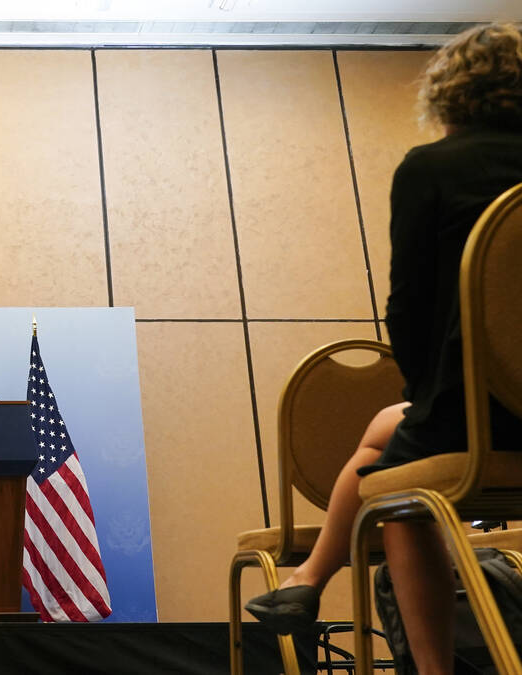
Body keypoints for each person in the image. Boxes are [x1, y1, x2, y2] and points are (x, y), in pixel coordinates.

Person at [246, 22, 522, 674]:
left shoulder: (431, 170)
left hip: (483, 422)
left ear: (450, 94)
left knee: (391, 485)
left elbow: (409, 309)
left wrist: (428, 394)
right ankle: (308, 581)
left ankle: (423, 663)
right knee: (383, 434)